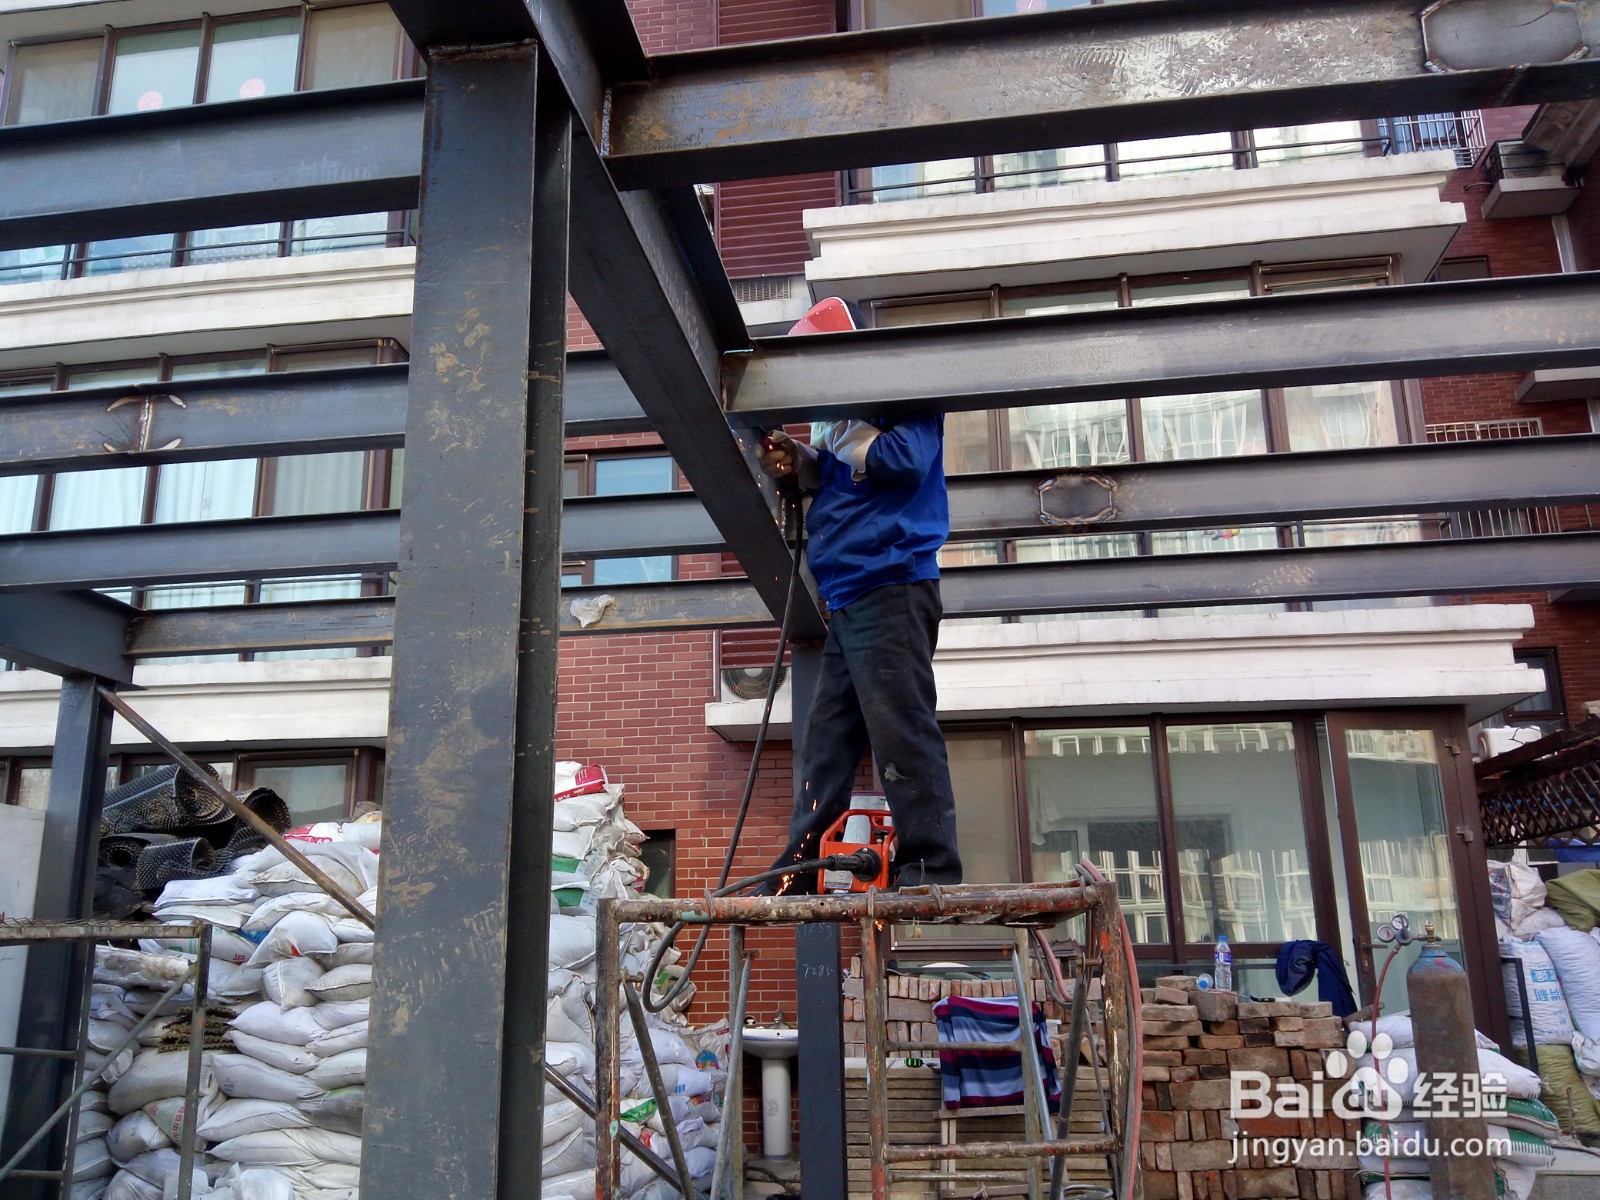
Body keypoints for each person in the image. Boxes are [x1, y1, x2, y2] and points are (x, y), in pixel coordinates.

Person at [757, 414, 963, 894]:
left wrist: (842, 433)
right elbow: (838, 476)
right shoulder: (846, 430)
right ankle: (801, 868)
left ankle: (929, 868)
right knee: (827, 741)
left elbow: (904, 461)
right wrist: (805, 460)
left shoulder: (904, 399)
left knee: (900, 727)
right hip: (848, 594)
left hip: (892, 582)